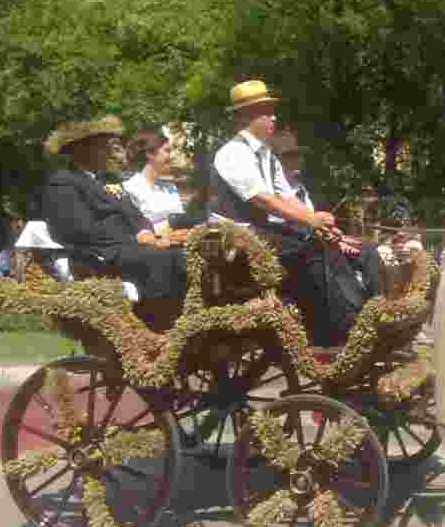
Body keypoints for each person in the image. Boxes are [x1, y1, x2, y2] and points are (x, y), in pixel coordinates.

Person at [209, 80, 381, 346]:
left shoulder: (268, 157)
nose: (273, 118)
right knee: (311, 248)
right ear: (245, 117)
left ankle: (362, 314)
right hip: (236, 238)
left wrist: (321, 224)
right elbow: (263, 200)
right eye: (266, 112)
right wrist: (311, 220)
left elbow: (289, 198)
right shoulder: (232, 153)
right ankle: (331, 330)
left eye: (272, 111)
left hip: (261, 232)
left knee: (329, 241)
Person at [40, 116, 186, 301]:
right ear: (82, 149)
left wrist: (146, 232)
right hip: (97, 255)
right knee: (160, 259)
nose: (109, 152)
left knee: (180, 254)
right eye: (102, 147)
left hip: (126, 248)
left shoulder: (106, 181)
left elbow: (136, 215)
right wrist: (134, 239)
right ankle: (155, 314)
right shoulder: (63, 182)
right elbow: (80, 230)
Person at [121, 129, 197, 237]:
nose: (172, 156)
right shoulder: (130, 188)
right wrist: (170, 224)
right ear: (150, 154)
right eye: (167, 150)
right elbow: (133, 230)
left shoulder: (170, 187)